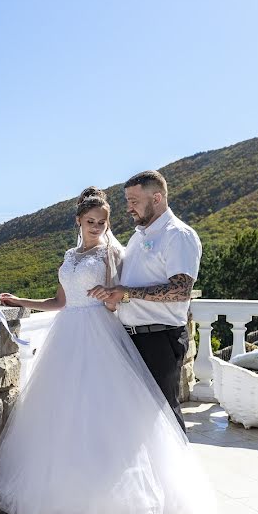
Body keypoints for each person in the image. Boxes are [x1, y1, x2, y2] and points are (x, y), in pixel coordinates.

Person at [0, 186, 213, 514]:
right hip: (67, 336)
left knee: (108, 417)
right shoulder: (70, 255)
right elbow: (61, 300)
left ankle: (120, 497)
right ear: (78, 221)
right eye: (91, 222)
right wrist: (19, 301)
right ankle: (72, 495)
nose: (98, 227)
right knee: (65, 418)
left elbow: (118, 297)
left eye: (103, 222)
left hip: (100, 336)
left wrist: (109, 298)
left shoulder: (111, 254)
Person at [87, 170, 201, 432]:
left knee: (163, 418)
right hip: (132, 338)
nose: (129, 208)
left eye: (134, 201)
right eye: (127, 201)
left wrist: (126, 293)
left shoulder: (178, 235)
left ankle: (179, 473)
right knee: (137, 419)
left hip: (160, 339)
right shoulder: (139, 236)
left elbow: (181, 290)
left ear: (157, 198)